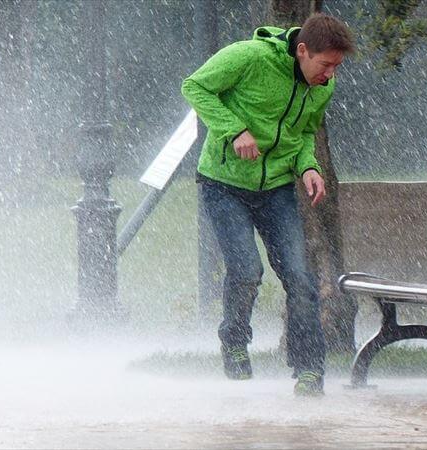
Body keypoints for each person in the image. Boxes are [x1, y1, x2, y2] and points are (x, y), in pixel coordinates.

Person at [181, 13, 354, 396]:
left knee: (301, 280)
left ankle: (310, 370)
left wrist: (308, 167)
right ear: (303, 50)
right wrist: (235, 130)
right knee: (246, 270)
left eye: (336, 67)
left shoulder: (322, 87)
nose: (329, 75)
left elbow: (304, 133)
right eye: (325, 65)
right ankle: (235, 341)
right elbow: (194, 87)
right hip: (223, 184)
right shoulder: (249, 57)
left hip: (276, 188)